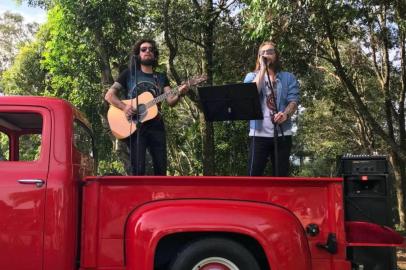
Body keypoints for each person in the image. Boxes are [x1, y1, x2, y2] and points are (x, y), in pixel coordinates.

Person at [105, 39, 188, 175]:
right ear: (138, 54)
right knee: (138, 169)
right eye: (143, 49)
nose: (147, 51)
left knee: (161, 168)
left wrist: (180, 93)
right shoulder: (128, 74)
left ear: (154, 55)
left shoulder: (160, 77)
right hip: (135, 126)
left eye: (151, 49)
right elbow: (109, 96)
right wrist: (125, 107)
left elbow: (170, 100)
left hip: (156, 126)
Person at [244, 41, 299, 176]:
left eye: (270, 52)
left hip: (282, 134)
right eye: (262, 53)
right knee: (253, 177)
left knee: (281, 178)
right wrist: (262, 70)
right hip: (258, 134)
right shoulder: (251, 77)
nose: (266, 55)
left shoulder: (288, 77)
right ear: (258, 57)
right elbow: (250, 94)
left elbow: (293, 101)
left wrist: (285, 114)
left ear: (276, 55)